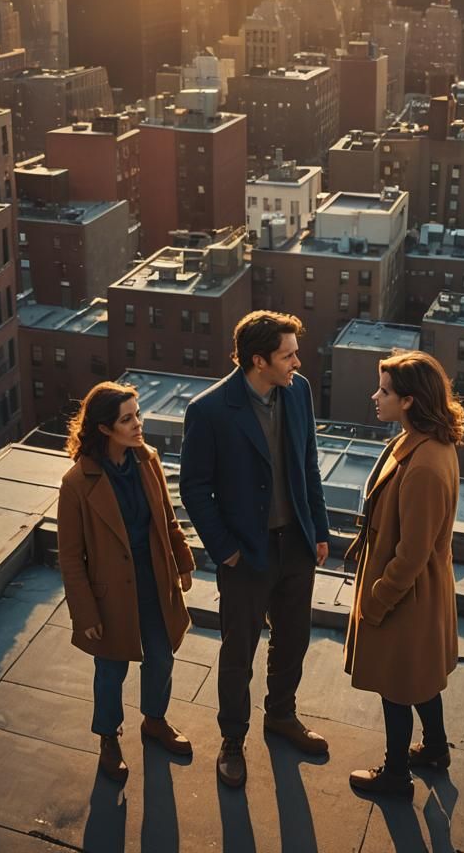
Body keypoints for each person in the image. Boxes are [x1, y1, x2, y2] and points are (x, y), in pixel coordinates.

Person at [180, 311, 331, 788]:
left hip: (298, 546)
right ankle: (232, 741)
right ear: (258, 360)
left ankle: (281, 717)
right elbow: (193, 488)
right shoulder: (208, 410)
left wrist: (320, 530)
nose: (297, 361)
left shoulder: (299, 391)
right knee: (238, 652)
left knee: (294, 640)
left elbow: (308, 463)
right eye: (288, 355)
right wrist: (224, 549)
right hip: (246, 554)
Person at [57, 381, 196, 784]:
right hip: (110, 594)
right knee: (111, 670)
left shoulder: (146, 458)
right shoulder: (76, 483)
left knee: (162, 655)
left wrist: (183, 560)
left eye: (137, 414)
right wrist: (84, 612)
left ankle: (154, 720)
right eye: (128, 419)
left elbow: (167, 518)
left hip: (154, 580)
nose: (139, 424)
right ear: (104, 429)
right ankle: (108, 738)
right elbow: (70, 557)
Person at [343, 350, 464, 799]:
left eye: (385, 391)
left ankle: (395, 777)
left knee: (397, 689)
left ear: (409, 400)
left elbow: (411, 555)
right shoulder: (422, 441)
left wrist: (376, 600)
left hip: (405, 600)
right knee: (420, 677)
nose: (376, 396)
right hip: (420, 596)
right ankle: (434, 748)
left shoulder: (426, 465)